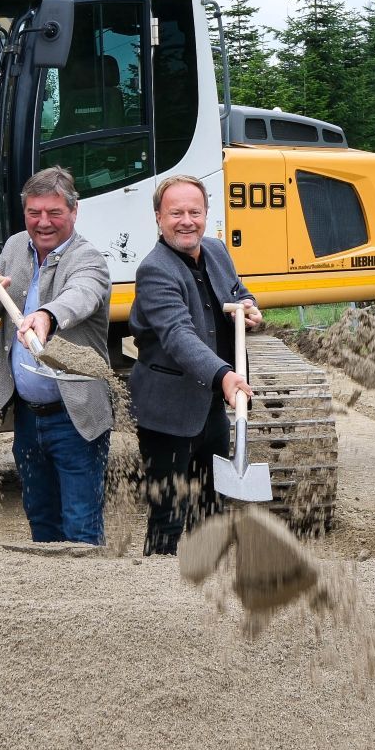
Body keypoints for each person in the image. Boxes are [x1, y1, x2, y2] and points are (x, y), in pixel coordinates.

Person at [0, 167, 114, 544]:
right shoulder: (16, 246)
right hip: (29, 420)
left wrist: (47, 316)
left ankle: (86, 599)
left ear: (74, 211)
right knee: (42, 524)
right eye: (35, 213)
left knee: (81, 527)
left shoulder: (89, 258)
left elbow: (82, 294)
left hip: (76, 418)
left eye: (54, 213)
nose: (43, 222)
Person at [126, 174, 260, 555]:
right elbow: (178, 335)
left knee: (211, 507)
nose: (187, 221)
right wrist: (223, 374)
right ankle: (160, 589)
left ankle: (205, 582)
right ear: (158, 218)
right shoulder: (155, 270)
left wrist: (249, 307)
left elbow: (238, 292)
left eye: (194, 212)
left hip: (209, 409)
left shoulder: (216, 251)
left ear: (206, 214)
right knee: (169, 513)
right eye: (176, 213)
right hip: (166, 412)